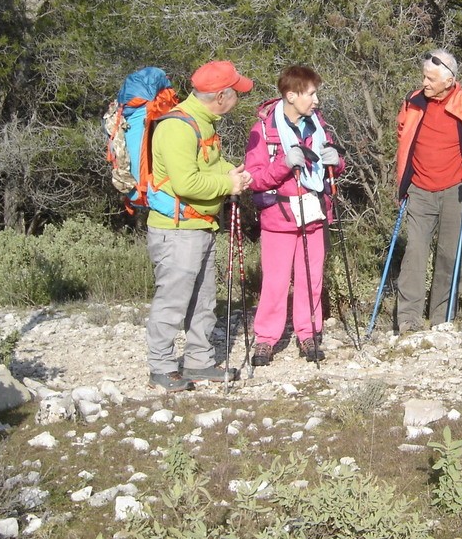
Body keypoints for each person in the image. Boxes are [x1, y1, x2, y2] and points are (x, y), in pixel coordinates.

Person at [146, 60, 254, 392]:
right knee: (174, 299)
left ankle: (199, 362)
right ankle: (161, 367)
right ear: (220, 96)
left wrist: (232, 173)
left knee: (204, 298)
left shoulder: (205, 122)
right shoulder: (178, 127)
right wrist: (228, 185)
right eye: (236, 92)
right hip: (176, 229)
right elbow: (186, 183)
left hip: (201, 226)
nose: (239, 97)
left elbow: (210, 163)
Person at [244, 65, 344, 365]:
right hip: (279, 215)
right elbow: (254, 178)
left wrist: (336, 162)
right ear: (291, 95)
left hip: (313, 211)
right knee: (274, 281)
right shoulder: (262, 130)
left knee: (311, 278)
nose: (316, 100)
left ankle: (308, 334)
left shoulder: (319, 125)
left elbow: (335, 169)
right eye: (311, 94)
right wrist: (285, 164)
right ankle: (265, 339)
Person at [394, 49, 462, 333]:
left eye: (430, 78)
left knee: (449, 254)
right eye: (424, 77)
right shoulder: (413, 101)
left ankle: (442, 318)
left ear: (449, 81)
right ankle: (409, 320)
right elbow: (402, 131)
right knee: (414, 252)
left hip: (457, 189)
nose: (424, 83)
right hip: (418, 189)